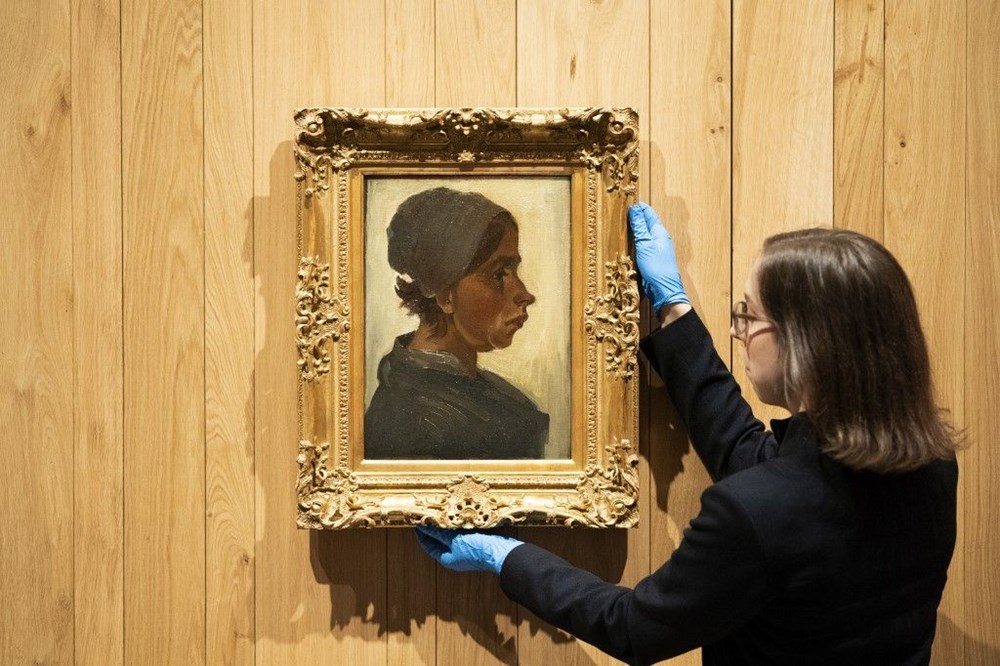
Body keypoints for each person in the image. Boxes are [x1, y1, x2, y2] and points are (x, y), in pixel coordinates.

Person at [416, 202, 962, 664]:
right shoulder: (930, 465)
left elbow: (632, 626)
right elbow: (755, 459)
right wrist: (674, 308)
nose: (738, 330)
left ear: (804, 342)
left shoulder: (757, 512)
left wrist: (506, 556)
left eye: (749, 316)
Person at [365, 186, 549, 460]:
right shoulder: (410, 424)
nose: (525, 294)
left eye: (514, 270)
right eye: (499, 274)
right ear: (445, 295)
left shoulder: (500, 399)